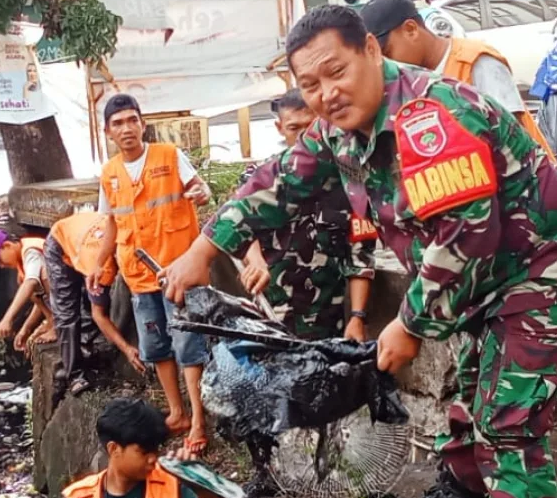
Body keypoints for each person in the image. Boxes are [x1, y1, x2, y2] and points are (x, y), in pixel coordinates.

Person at [162, 5, 557, 498]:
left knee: (507, 417)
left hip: (547, 261)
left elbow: (466, 237)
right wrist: (210, 244)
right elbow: (278, 182)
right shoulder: (339, 131)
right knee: (467, 384)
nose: (327, 94)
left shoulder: (431, 118)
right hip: (487, 277)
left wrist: (408, 325)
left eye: (337, 72)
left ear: (372, 52)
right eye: (311, 83)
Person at [91, 94, 212, 454]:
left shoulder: (169, 156)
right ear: (107, 132)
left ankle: (200, 421)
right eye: (118, 123)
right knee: (157, 347)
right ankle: (177, 414)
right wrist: (100, 264)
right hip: (140, 278)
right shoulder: (109, 173)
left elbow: (200, 188)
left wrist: (202, 193)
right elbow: (111, 223)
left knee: (189, 345)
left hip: (179, 272)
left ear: (143, 124)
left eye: (132, 120)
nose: (126, 128)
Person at [239, 89, 376, 340]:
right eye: (294, 128)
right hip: (272, 315)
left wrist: (358, 316)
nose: (304, 136)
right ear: (280, 127)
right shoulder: (261, 178)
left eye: (310, 125)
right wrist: (255, 260)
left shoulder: (351, 183)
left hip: (326, 320)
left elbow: (360, 256)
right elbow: (242, 225)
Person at [361, 0, 556, 160]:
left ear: (411, 30)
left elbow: (513, 136)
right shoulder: (408, 81)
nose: (387, 64)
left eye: (387, 52)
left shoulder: (476, 61)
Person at [54, 398, 210, 498]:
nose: (153, 459)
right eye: (144, 452)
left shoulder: (171, 483)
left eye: (155, 450)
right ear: (114, 449)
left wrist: (197, 478)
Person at [45, 211, 145, 396]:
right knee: (67, 311)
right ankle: (74, 374)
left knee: (89, 298)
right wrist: (127, 349)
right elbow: (99, 315)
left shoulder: (129, 237)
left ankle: (86, 345)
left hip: (83, 233)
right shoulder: (102, 268)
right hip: (61, 241)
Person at [0, 229, 57, 350]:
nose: (1, 265)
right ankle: (52, 321)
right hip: (62, 297)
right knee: (24, 282)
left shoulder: (31, 252)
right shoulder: (22, 265)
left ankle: (59, 325)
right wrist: (25, 329)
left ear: (7, 245)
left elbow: (31, 282)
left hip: (77, 292)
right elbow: (38, 297)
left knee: (32, 280)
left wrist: (7, 319)